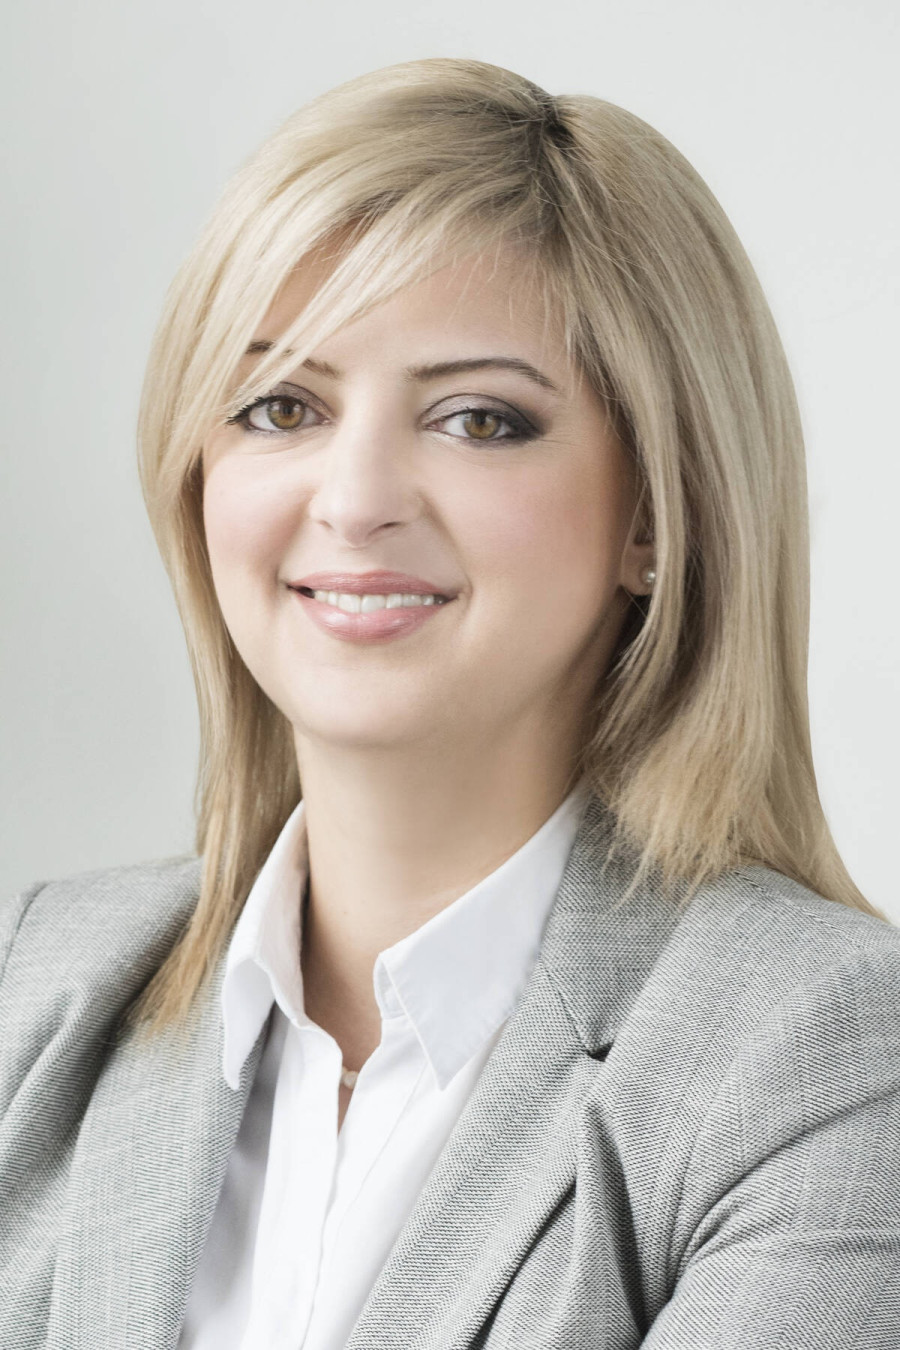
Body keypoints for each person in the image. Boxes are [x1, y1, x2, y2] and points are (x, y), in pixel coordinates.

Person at [1, 56, 898, 1350]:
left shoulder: (823, 1052)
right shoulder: (39, 982)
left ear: (655, 514)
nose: (355, 499)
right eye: (281, 406)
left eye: (479, 420)